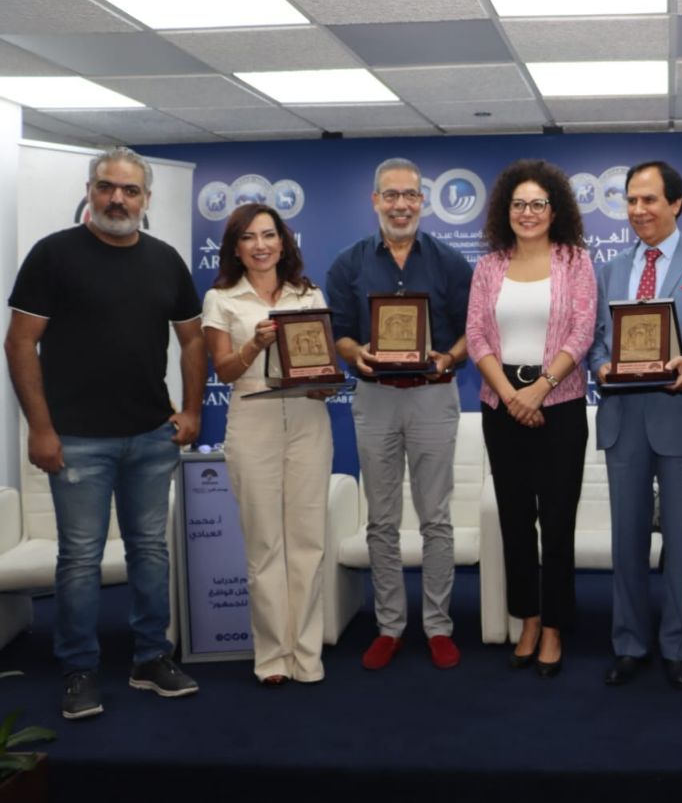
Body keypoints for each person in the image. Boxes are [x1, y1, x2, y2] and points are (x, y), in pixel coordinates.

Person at [4, 146, 204, 720]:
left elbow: (192, 338)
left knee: (150, 552)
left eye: (130, 190)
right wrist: (41, 429)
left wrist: (192, 411)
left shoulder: (165, 259)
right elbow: (20, 342)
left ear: (146, 199)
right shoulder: (53, 255)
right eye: (106, 187)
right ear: (90, 190)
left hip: (150, 436)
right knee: (79, 560)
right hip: (75, 440)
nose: (118, 198)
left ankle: (150, 657)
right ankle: (79, 669)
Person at [587, 160, 682, 689]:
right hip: (624, 419)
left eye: (649, 199)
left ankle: (677, 646)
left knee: (681, 544)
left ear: (676, 203)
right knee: (626, 542)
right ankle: (629, 644)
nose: (638, 210)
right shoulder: (609, 269)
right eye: (630, 200)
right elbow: (598, 339)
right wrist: (599, 366)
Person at [325, 158, 473, 671]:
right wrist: (355, 351)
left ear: (422, 201)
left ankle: (438, 626)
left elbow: (473, 332)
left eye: (410, 195)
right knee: (381, 520)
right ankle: (389, 626)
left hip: (434, 395)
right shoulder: (347, 263)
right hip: (375, 397)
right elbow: (339, 332)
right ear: (375, 201)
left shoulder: (451, 262)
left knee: (436, 518)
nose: (401, 205)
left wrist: (448, 357)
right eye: (391, 195)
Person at [466, 160, 595, 678]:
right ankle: (529, 619)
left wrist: (540, 389)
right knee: (515, 521)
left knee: (558, 522)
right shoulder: (488, 266)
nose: (528, 212)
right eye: (518, 204)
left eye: (538, 203)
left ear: (554, 210)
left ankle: (555, 627)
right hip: (501, 408)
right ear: (506, 210)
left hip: (560, 404)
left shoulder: (575, 261)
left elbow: (583, 330)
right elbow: (476, 335)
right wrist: (510, 396)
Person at [201, 203, 334, 686]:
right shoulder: (221, 298)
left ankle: (307, 654)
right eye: (249, 238)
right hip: (252, 422)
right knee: (264, 544)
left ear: (283, 241)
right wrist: (255, 344)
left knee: (308, 541)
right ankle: (273, 656)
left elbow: (320, 364)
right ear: (236, 248)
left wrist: (324, 383)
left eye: (269, 235)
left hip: (307, 421)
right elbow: (224, 370)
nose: (260, 246)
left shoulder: (308, 293)